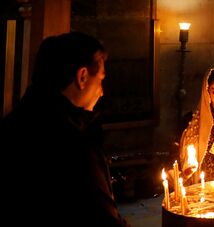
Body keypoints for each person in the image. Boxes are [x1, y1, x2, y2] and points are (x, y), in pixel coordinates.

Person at [0, 32, 129, 225]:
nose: (101, 92)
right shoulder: (73, 147)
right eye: (100, 79)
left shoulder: (13, 123)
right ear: (82, 76)